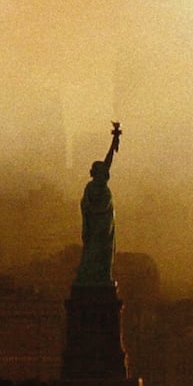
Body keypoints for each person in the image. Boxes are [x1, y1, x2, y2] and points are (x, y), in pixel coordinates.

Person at [76, 122, 121, 286]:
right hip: (98, 230)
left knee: (101, 256)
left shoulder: (94, 187)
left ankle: (100, 278)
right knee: (98, 255)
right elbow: (86, 208)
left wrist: (114, 140)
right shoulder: (93, 188)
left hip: (101, 229)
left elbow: (107, 161)